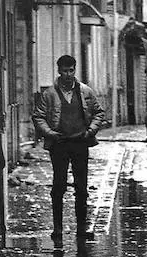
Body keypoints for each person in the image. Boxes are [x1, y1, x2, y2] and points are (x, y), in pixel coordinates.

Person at [32, 54, 106, 246]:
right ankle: (57, 228)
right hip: (59, 145)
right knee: (59, 186)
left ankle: (82, 227)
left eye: (71, 70)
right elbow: (38, 116)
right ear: (58, 71)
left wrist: (90, 131)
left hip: (80, 143)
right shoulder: (49, 94)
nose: (68, 74)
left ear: (75, 70)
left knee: (82, 187)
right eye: (64, 71)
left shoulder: (85, 91)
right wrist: (50, 133)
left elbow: (99, 112)